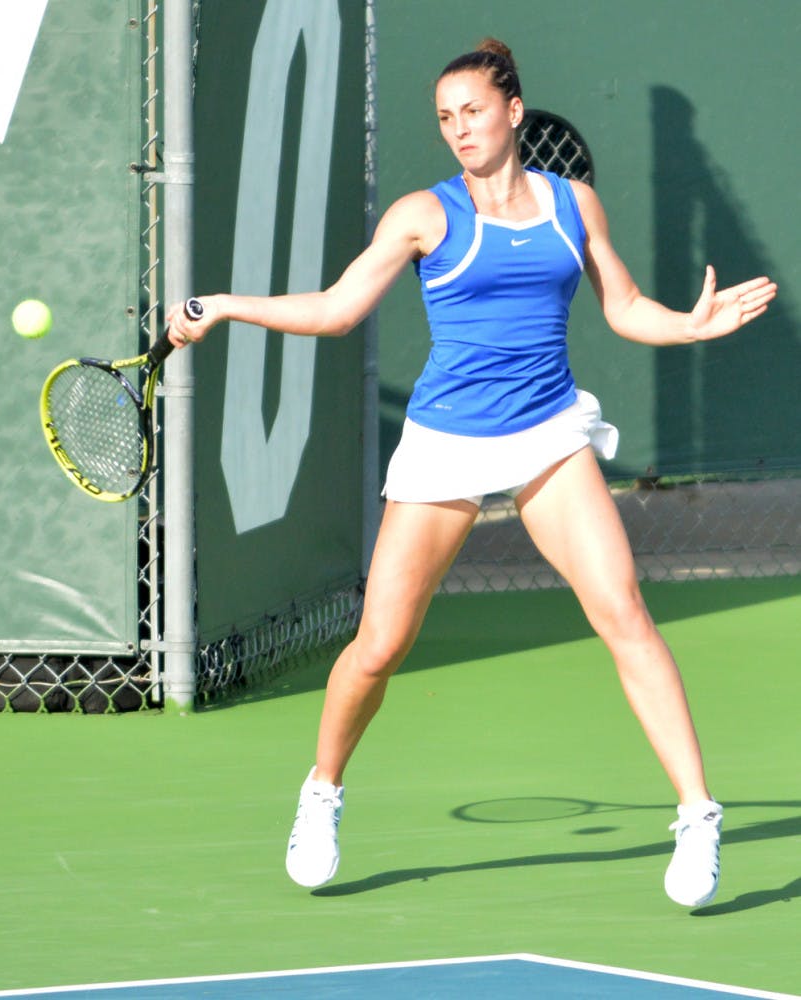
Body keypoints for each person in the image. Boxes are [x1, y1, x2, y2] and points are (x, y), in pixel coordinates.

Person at [168, 38, 777, 907]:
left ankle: (697, 815)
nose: (459, 129)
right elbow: (338, 311)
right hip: (446, 442)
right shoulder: (425, 215)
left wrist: (688, 326)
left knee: (623, 610)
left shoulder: (574, 205)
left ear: (513, 111)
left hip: (547, 433)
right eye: (446, 118)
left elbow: (626, 307)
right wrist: (222, 304)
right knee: (379, 647)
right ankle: (322, 792)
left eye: (474, 112)